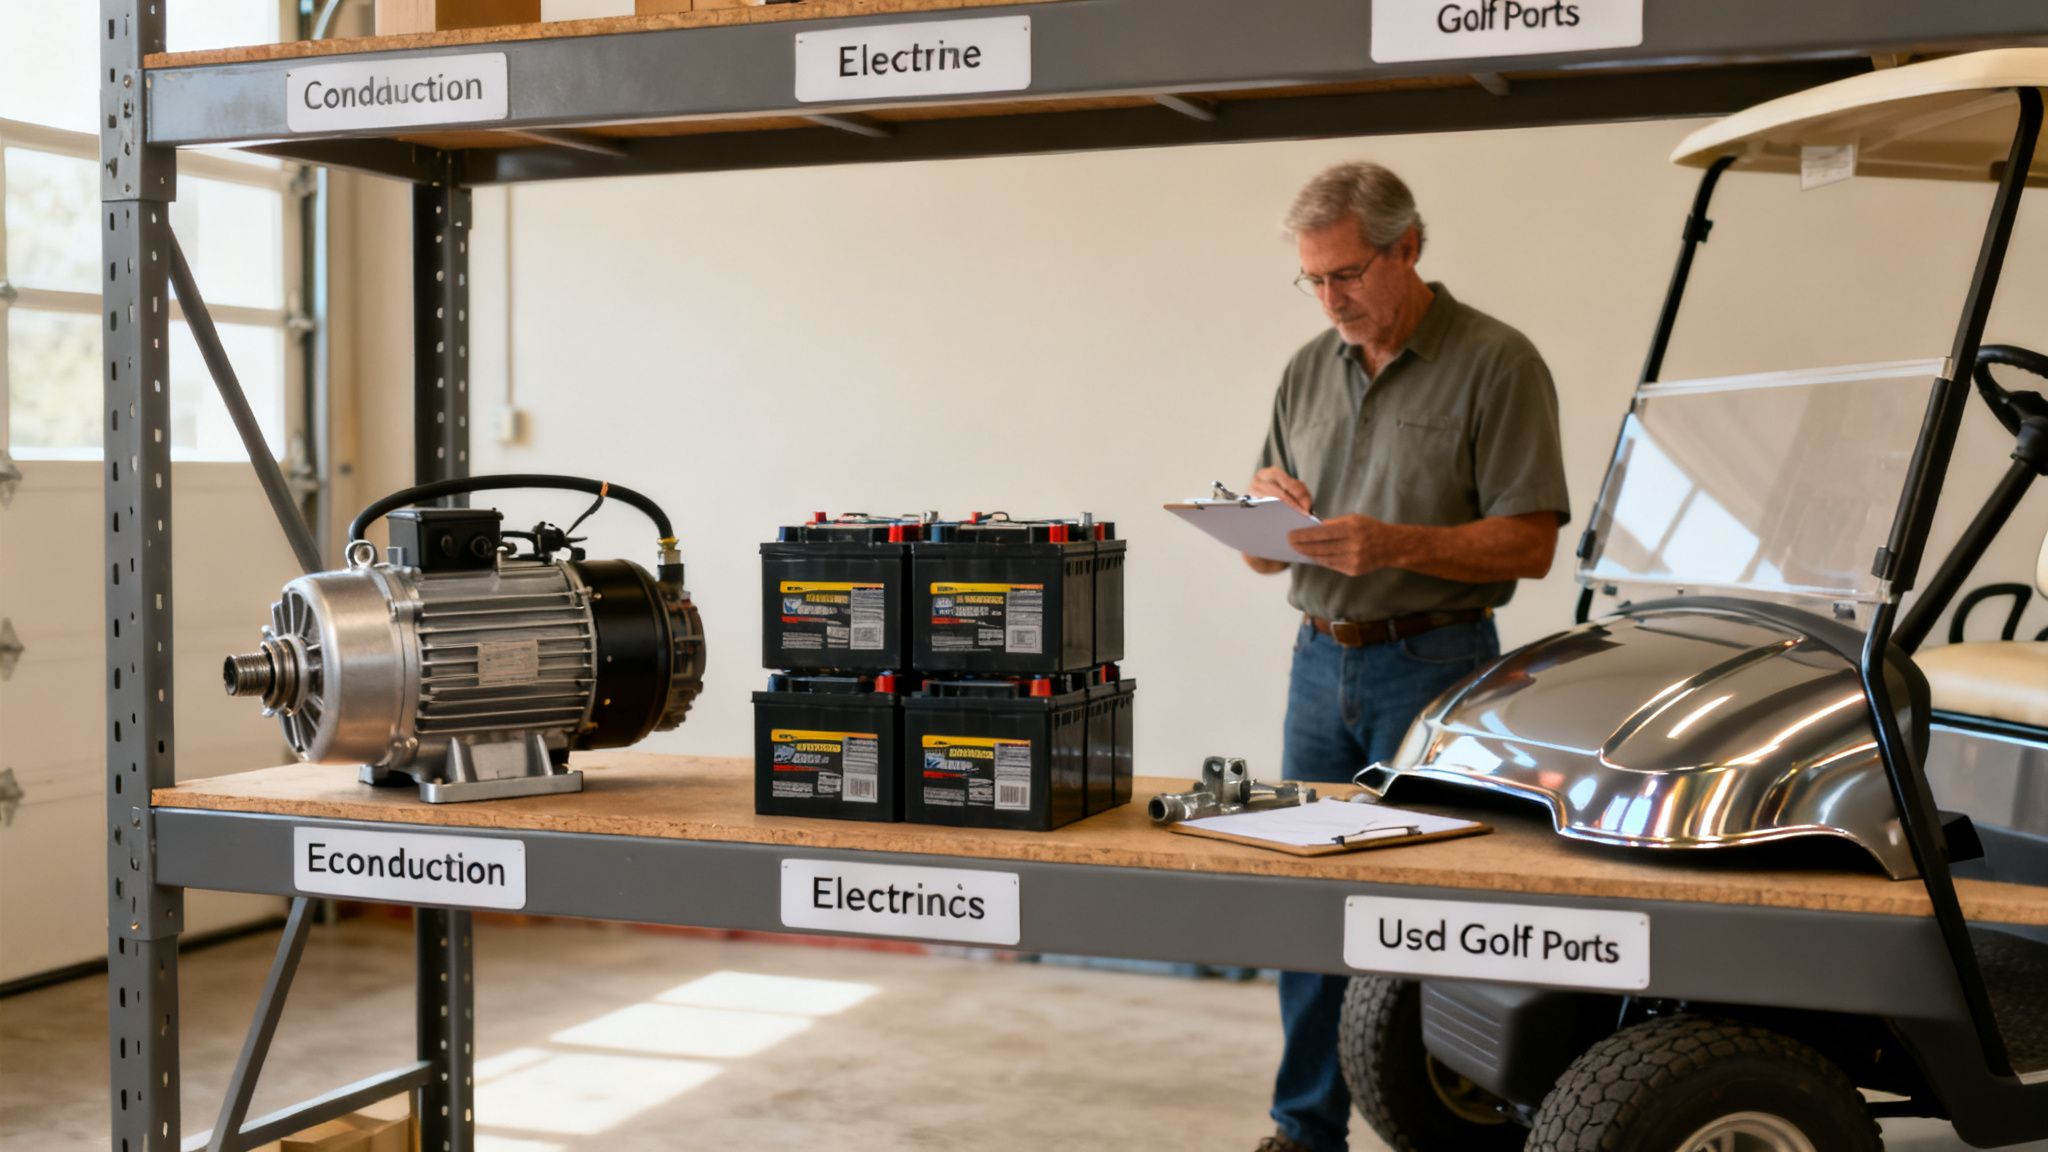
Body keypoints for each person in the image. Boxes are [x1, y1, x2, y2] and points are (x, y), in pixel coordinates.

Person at [1247, 161, 1570, 1152]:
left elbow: (1528, 541)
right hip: (1316, 663)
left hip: (1435, 664)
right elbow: (1271, 547)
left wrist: (1394, 542)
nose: (1329, 297)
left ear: (1408, 248)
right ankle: (1303, 1131)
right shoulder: (1307, 368)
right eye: (1311, 278)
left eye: (1345, 273)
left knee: (1435, 909)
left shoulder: (1497, 362)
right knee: (1309, 904)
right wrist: (1261, 519)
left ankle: (1461, 1123)